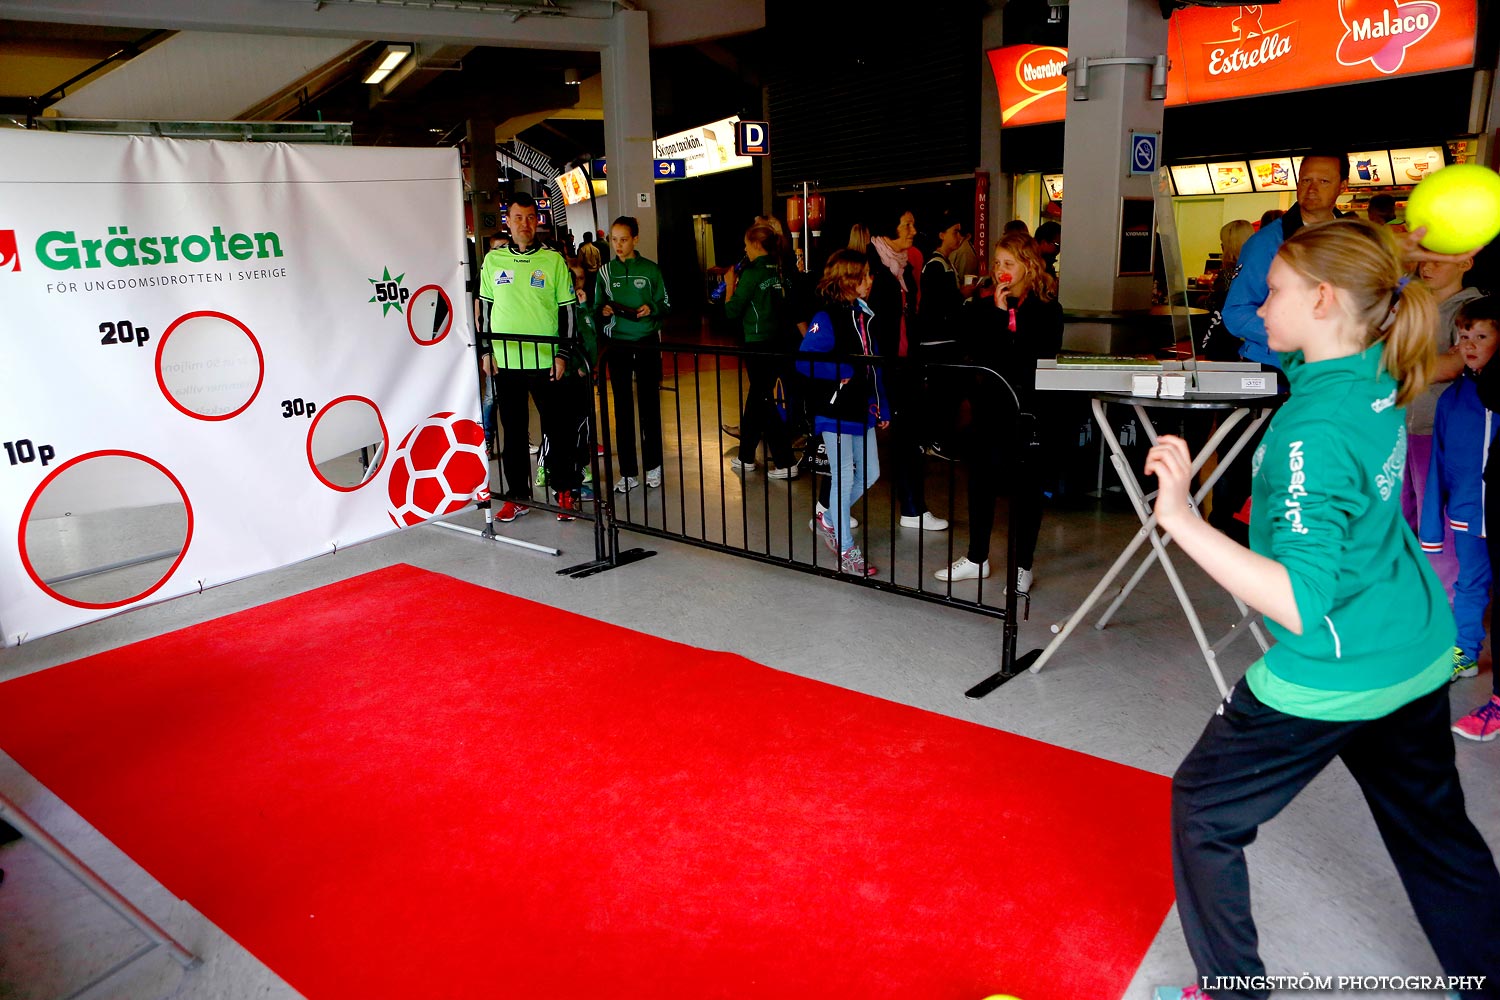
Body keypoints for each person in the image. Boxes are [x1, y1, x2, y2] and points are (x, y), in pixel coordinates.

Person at [1146, 219, 1500, 1000]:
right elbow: (1397, 299)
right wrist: (1408, 262)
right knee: (1436, 835)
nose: (1259, 306)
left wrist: (1183, 519)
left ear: (1324, 299)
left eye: (1273, 291)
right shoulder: (1377, 362)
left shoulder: (1316, 427)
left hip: (1337, 664)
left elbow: (1299, 602)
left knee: (1203, 809)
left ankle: (1232, 990)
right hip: (1410, 646)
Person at [1212, 149, 1349, 542]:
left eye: (1324, 181)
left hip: (1332, 375)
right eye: (1306, 179)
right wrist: (1293, 335)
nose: (1312, 189)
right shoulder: (1266, 242)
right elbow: (1236, 312)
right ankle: (1235, 541)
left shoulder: (1353, 240)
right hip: (1271, 372)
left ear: (1343, 187)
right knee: (1251, 466)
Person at [935, 232, 1062, 593]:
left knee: (1027, 490)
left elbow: (1032, 356)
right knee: (980, 483)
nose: (1001, 270)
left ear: (1028, 265)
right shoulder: (983, 307)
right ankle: (977, 558)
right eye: (996, 263)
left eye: (1009, 263)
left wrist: (1011, 320)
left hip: (1028, 414)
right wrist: (996, 313)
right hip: (989, 409)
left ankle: (1023, 565)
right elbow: (975, 350)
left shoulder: (1047, 308)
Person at [479, 192, 582, 523]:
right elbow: (485, 310)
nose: (524, 224)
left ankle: (565, 492)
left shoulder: (552, 261)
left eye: (529, 218)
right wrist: (486, 350)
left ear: (537, 222)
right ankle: (518, 496)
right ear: (507, 222)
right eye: (517, 218)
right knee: (513, 431)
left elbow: (568, 312)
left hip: (546, 361)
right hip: (507, 362)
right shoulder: (493, 261)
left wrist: (563, 353)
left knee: (558, 428)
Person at [797, 249, 889, 578]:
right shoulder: (827, 317)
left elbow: (874, 365)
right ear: (848, 279)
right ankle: (846, 548)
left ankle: (830, 519)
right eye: (864, 275)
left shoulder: (863, 314)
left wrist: (882, 405)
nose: (870, 280)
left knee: (871, 473)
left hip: (861, 409)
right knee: (845, 476)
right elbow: (804, 360)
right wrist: (841, 368)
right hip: (835, 411)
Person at [1421, 295, 1499, 683]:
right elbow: (1438, 464)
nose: (1468, 345)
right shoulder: (1451, 400)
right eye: (1463, 335)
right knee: (1468, 584)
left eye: (1480, 336)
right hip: (1468, 515)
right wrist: (1433, 527)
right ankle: (1465, 653)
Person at [866, 205, 947, 531]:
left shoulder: (905, 268)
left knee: (909, 436)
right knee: (852, 439)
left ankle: (913, 508)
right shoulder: (868, 269)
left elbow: (910, 316)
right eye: (907, 225)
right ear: (889, 231)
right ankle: (828, 509)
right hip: (874, 367)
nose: (913, 231)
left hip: (903, 365)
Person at [1405, 254, 1482, 544]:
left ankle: (1444, 590)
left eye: (1438, 261)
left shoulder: (1472, 310)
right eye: (1424, 259)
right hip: (1400, 427)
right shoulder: (1410, 304)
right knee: (1399, 522)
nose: (1426, 266)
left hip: (1439, 432)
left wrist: (1393, 365)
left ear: (1466, 264)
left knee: (1439, 526)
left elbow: (1452, 367)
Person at [597, 216, 670, 493]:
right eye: (614, 239)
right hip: (618, 346)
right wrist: (603, 311)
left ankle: (654, 466)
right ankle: (628, 472)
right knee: (623, 409)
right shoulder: (605, 272)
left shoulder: (651, 270)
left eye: (624, 239)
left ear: (635, 239)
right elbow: (596, 307)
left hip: (647, 343)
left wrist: (652, 308)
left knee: (650, 406)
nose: (618, 244)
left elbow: (666, 302)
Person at [724, 224, 798, 478]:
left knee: (764, 399)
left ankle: (785, 461)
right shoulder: (782, 269)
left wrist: (729, 285)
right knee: (758, 397)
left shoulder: (753, 273)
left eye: (746, 243)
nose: (744, 249)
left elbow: (732, 311)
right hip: (781, 341)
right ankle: (746, 456)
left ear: (756, 245)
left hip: (757, 342)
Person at [577, 231, 602, 305]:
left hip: (586, 273)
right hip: (595, 272)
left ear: (584, 238)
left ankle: (588, 303)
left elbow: (580, 263)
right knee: (594, 288)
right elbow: (599, 262)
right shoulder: (596, 249)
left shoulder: (582, 249)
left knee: (587, 289)